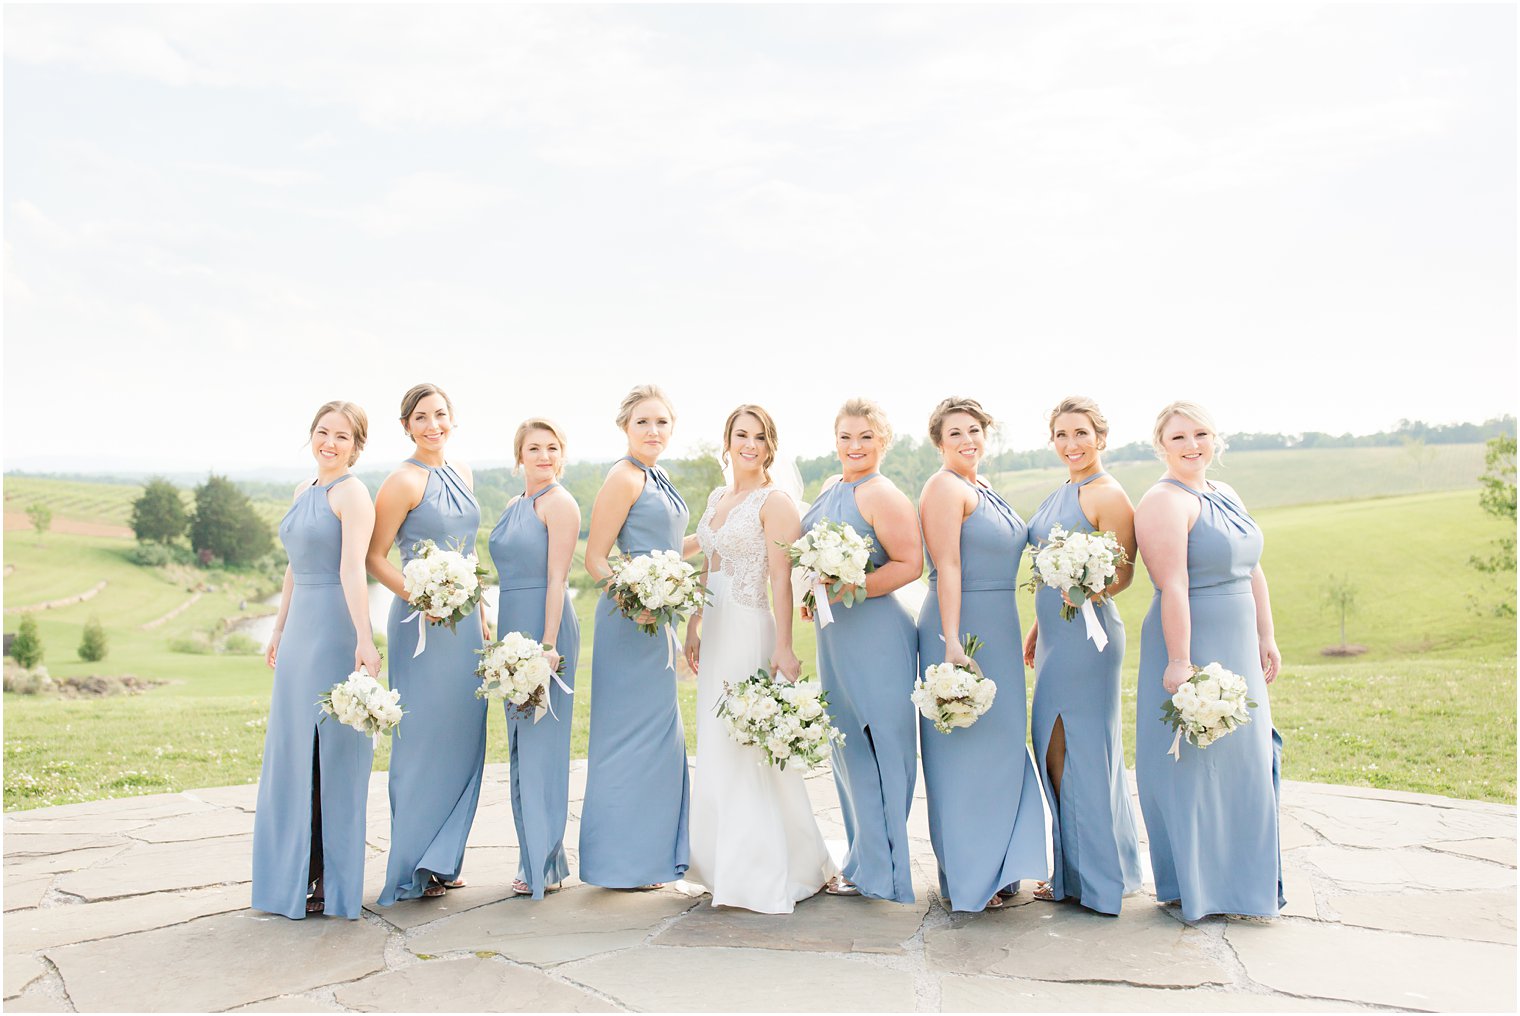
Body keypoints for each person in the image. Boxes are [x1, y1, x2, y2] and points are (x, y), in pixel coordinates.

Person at [1134, 400, 1284, 921]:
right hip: (1192, 639)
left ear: (1215, 439)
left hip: (1240, 639)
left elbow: (1254, 569)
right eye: (1178, 438)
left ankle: (1244, 884)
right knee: (1196, 762)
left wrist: (1266, 635)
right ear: (1161, 445)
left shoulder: (1226, 494)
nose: (1192, 445)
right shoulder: (1163, 501)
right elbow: (1172, 583)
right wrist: (1180, 661)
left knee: (1245, 761)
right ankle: (1197, 886)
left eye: (1200, 434)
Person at [683, 405, 836, 912]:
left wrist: (784, 646)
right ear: (726, 441)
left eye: (759, 437)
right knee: (717, 739)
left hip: (750, 628)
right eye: (740, 435)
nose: (749, 444)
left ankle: (765, 869)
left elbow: (779, 579)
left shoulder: (776, 502)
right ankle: (719, 863)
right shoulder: (718, 496)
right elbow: (711, 562)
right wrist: (694, 624)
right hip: (717, 623)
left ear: (771, 446)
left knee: (747, 741)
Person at [916, 397, 1046, 912]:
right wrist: (950, 641)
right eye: (955, 434)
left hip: (1001, 625)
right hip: (962, 625)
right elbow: (947, 564)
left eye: (975, 430)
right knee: (965, 753)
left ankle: (1003, 865)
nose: (967, 440)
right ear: (939, 443)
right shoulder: (944, 487)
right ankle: (972, 874)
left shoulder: (981, 487)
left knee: (1002, 747)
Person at [252, 401, 380, 919]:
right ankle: (292, 874)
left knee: (329, 752)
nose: (330, 442)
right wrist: (278, 627)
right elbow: (292, 569)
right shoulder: (303, 491)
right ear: (311, 436)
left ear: (356, 445)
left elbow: (353, 570)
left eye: (342, 436)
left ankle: (330, 875)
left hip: (332, 626)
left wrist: (365, 639)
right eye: (323, 432)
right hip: (301, 626)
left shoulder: (353, 493)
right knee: (291, 752)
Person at [368, 383, 489, 905]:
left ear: (452, 419)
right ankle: (412, 863)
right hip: (420, 625)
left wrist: (478, 606)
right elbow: (375, 558)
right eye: (422, 417)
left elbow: (469, 548)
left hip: (464, 624)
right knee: (421, 742)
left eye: (441, 414)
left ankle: (443, 860)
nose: (433, 424)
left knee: (464, 734)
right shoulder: (402, 481)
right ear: (406, 426)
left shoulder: (461, 473)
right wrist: (422, 595)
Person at [1023, 396, 1142, 915]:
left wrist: (1085, 588)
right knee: (1053, 749)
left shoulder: (1108, 494)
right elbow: (1051, 570)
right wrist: (1036, 627)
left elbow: (1123, 572)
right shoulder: (1064, 491)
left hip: (1089, 640)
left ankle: (1094, 880)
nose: (1071, 445)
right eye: (1061, 435)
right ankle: (1073, 870)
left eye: (1081, 434)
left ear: (1101, 438)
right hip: (1054, 636)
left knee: (1079, 752)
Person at [801, 397, 921, 903]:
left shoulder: (882, 493)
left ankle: (887, 870)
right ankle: (862, 859)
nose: (854, 446)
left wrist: (849, 584)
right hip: (835, 636)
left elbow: (909, 564)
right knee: (847, 746)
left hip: (875, 632)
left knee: (881, 748)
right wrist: (814, 591)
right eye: (846, 436)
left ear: (883, 442)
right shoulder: (833, 488)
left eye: (866, 437)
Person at [580, 384, 696, 889]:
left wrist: (716, 539)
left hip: (657, 617)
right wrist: (638, 599)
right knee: (626, 740)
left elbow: (670, 547)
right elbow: (596, 559)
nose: (653, 431)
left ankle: (647, 859)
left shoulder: (659, 476)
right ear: (625, 427)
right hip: (629, 624)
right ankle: (617, 864)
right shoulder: (624, 478)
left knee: (656, 741)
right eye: (643, 422)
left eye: (662, 423)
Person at [487, 418, 581, 899]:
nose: (543, 456)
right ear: (518, 456)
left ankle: (542, 862)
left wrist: (546, 646)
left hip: (545, 632)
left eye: (552, 448)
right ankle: (536, 857)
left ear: (561, 456)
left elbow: (557, 579)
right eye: (533, 448)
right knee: (521, 750)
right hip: (510, 631)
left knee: (543, 747)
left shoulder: (560, 504)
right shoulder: (514, 505)